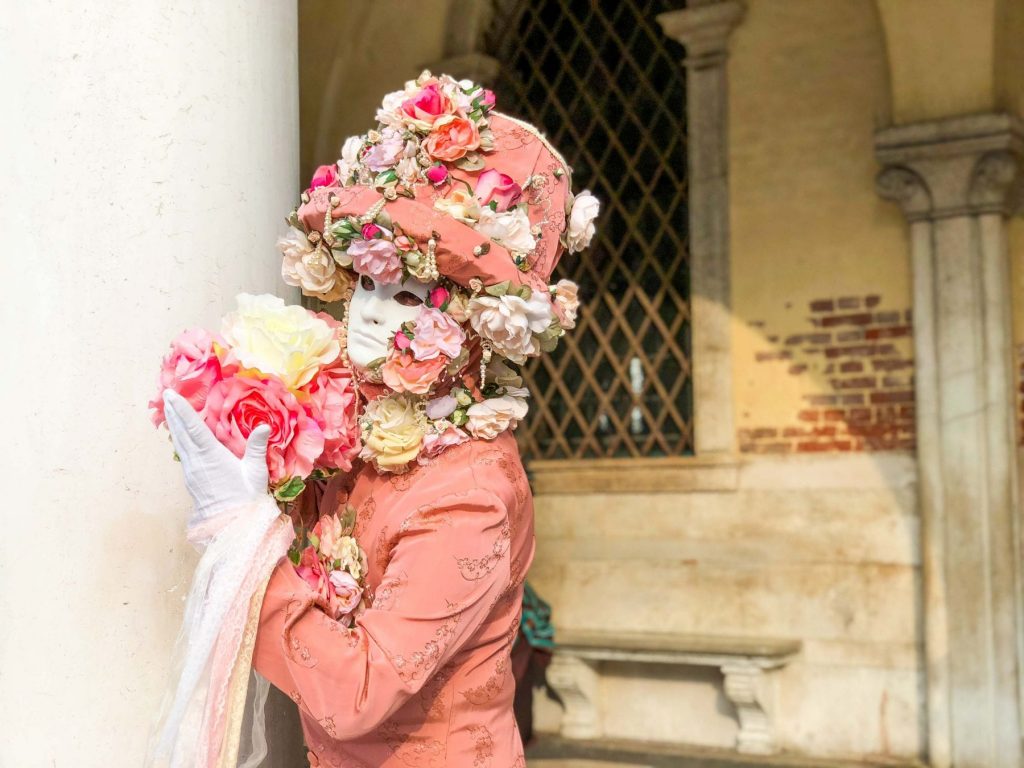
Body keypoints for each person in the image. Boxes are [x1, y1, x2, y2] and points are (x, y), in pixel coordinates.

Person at [166, 72, 599, 767]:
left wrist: (235, 530)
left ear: (475, 326)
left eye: (408, 293)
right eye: (368, 281)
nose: (369, 310)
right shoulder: (364, 446)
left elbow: (352, 692)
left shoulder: (469, 497)